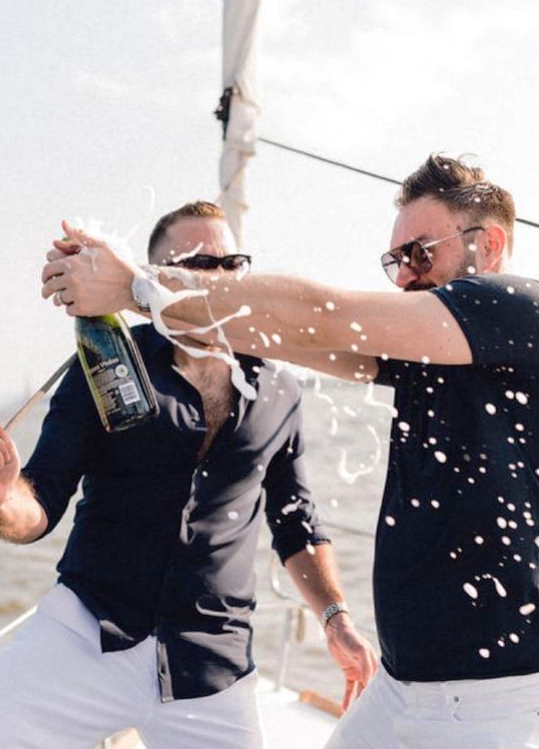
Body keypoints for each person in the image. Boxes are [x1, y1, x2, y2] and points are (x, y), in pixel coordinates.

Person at [41, 154, 539, 748]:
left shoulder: (516, 308)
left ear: (490, 244)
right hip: (404, 686)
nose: (405, 275)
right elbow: (284, 332)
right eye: (395, 260)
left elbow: (329, 315)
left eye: (420, 253)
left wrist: (137, 285)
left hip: (501, 698)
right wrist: (131, 293)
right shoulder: (429, 348)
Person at [0, 200, 377, 749]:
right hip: (89, 629)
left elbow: (295, 519)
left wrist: (336, 619)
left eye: (231, 264)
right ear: (150, 279)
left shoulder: (279, 389)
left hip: (213, 662)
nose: (219, 279)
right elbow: (40, 502)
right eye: (197, 265)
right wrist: (6, 496)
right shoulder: (103, 361)